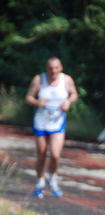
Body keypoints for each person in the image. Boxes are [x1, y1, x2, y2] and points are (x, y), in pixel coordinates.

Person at [25, 56, 78, 198]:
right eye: (50, 68)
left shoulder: (66, 80)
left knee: (55, 154)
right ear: (46, 68)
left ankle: (52, 178)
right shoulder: (39, 79)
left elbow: (74, 94)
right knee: (41, 153)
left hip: (57, 122)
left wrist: (68, 102)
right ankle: (39, 182)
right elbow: (29, 97)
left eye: (56, 68)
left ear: (60, 68)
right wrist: (37, 102)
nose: (53, 71)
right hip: (41, 121)